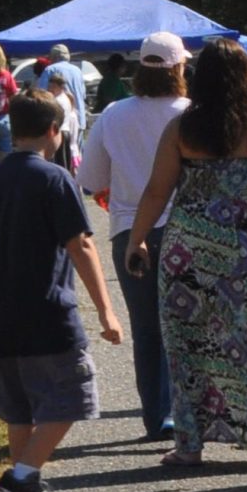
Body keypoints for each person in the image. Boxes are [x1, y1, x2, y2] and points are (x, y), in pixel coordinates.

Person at [124, 37, 247, 470]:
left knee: (192, 345)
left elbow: (158, 190)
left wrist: (137, 238)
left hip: (190, 250)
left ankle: (190, 443)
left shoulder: (183, 129)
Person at [0, 90, 125, 492]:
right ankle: (21, 479)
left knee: (19, 408)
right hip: (47, 313)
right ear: (54, 131)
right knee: (73, 396)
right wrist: (106, 310)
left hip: (0, 314)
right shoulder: (56, 179)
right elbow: (82, 245)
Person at [78, 31, 191, 441]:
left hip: (130, 232)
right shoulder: (193, 112)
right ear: (180, 67)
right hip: (187, 230)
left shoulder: (114, 114)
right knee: (190, 324)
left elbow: (90, 179)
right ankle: (191, 412)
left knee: (147, 329)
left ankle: (158, 414)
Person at [40, 58, 85, 170]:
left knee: (61, 164)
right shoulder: (64, 98)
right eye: (49, 86)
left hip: (61, 133)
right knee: (64, 163)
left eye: (52, 87)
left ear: (60, 87)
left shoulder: (59, 100)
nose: (50, 89)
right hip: (64, 133)